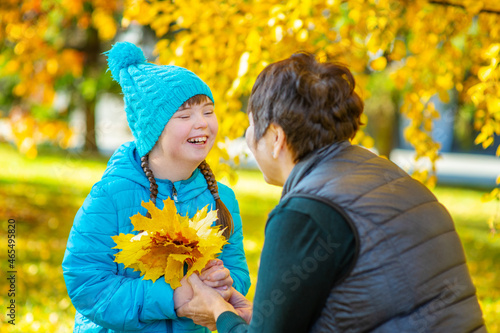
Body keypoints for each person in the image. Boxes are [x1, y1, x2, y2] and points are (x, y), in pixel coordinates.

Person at [176, 52, 486, 332]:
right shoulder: (391, 178)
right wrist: (256, 317)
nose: (247, 138)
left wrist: (218, 312)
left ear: (275, 137)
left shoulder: (306, 213)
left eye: (251, 124)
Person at [61, 42, 250, 332]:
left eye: (208, 112)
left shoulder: (221, 199)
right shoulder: (111, 196)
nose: (202, 123)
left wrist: (223, 281)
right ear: (153, 131)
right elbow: (87, 282)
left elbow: (236, 269)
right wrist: (174, 297)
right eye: (185, 116)